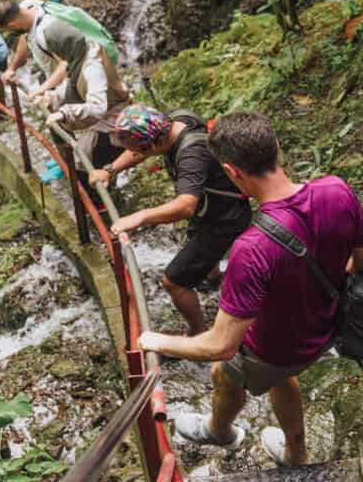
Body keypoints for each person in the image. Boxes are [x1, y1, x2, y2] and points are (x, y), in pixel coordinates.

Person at [138, 113, 363, 466]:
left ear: (232, 173)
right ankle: (295, 452)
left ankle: (220, 432)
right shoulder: (336, 190)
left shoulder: (251, 248)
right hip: (328, 327)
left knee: (226, 372)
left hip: (276, 348)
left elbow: (219, 345)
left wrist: (155, 341)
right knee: (281, 378)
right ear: (276, 147)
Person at [90, 105, 252, 336]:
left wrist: (140, 216)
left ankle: (197, 334)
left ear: (154, 144)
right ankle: (213, 278)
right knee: (201, 256)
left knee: (173, 281)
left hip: (224, 219)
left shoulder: (190, 156)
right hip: (213, 205)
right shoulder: (173, 121)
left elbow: (185, 206)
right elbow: (138, 149)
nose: (138, 155)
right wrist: (110, 170)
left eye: (142, 151)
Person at [0, 0, 129, 199]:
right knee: (83, 153)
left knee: (87, 157)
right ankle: (83, 182)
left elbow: (97, 106)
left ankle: (97, 200)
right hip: (99, 106)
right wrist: (51, 95)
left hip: (112, 120)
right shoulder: (32, 11)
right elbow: (70, 79)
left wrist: (61, 109)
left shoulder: (90, 65)